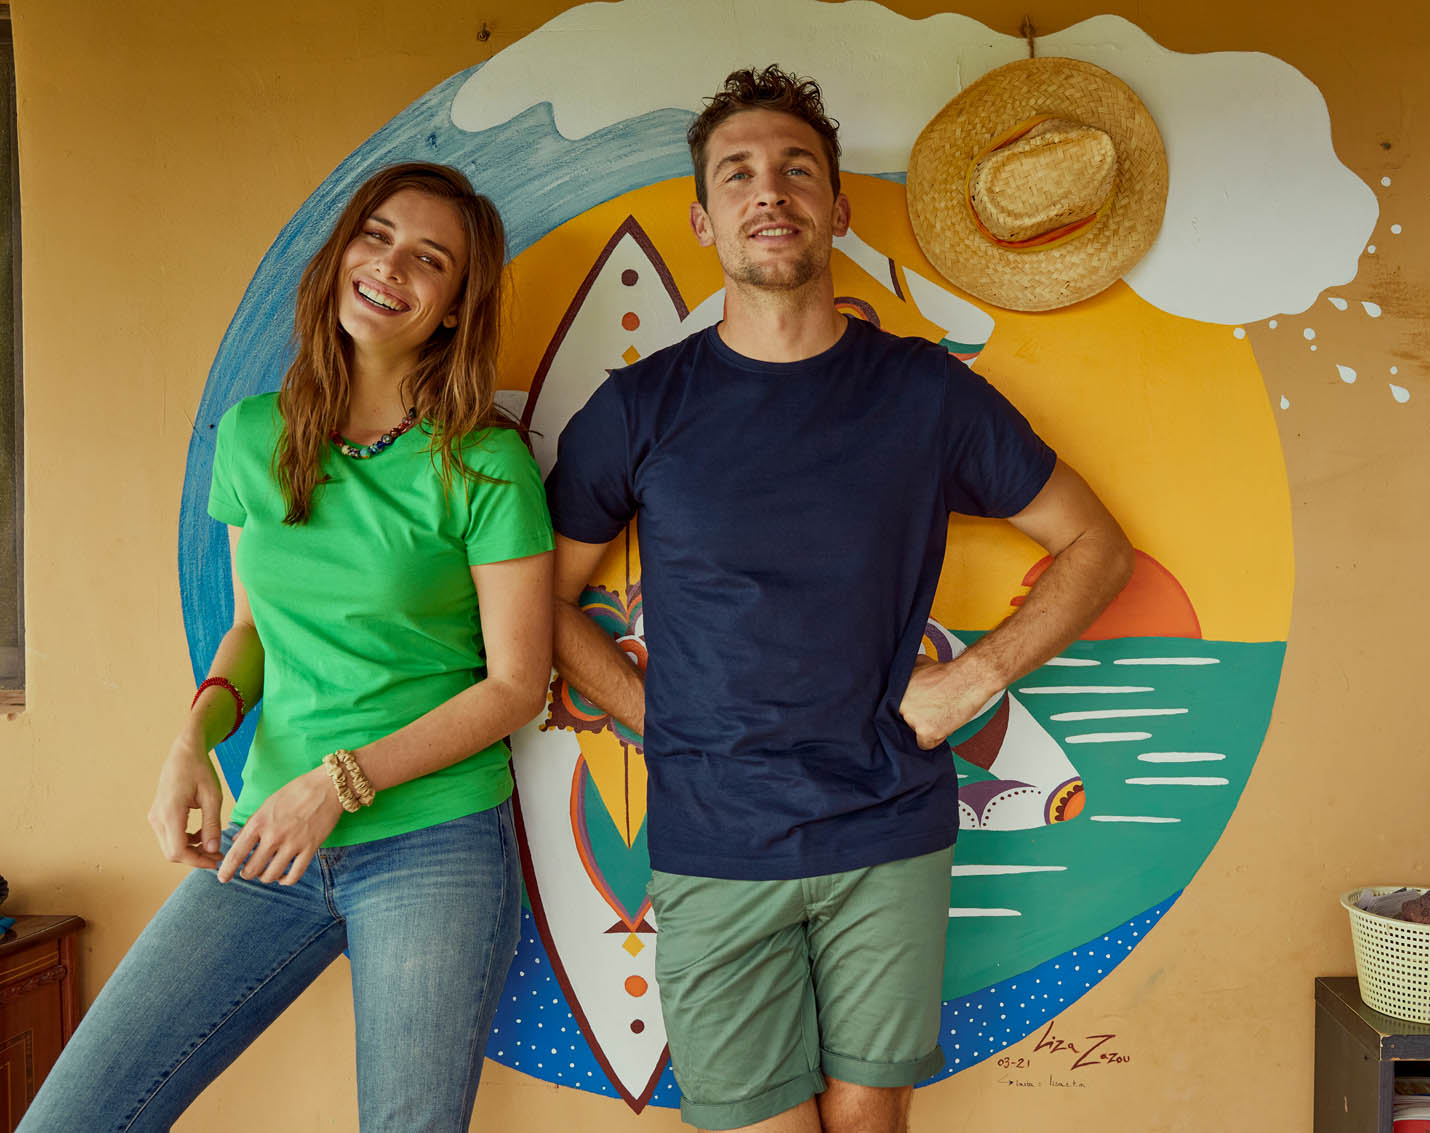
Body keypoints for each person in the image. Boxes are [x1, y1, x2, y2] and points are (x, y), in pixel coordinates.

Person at [545, 67, 1134, 1133]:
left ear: (838, 207)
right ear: (702, 219)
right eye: (737, 174)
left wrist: (976, 675)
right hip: (714, 838)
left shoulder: (923, 391)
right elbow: (538, 601)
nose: (769, 191)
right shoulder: (639, 407)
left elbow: (1096, 546)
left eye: (796, 169)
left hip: (889, 825)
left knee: (870, 1121)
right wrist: (653, 718)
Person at [22, 162, 555, 1132]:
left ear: (453, 308)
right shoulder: (253, 435)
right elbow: (252, 628)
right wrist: (192, 742)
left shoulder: (485, 461)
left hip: (432, 844)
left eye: (429, 258)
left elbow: (517, 684)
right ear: (341, 251)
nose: (390, 265)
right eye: (377, 235)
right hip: (270, 833)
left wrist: (339, 782)